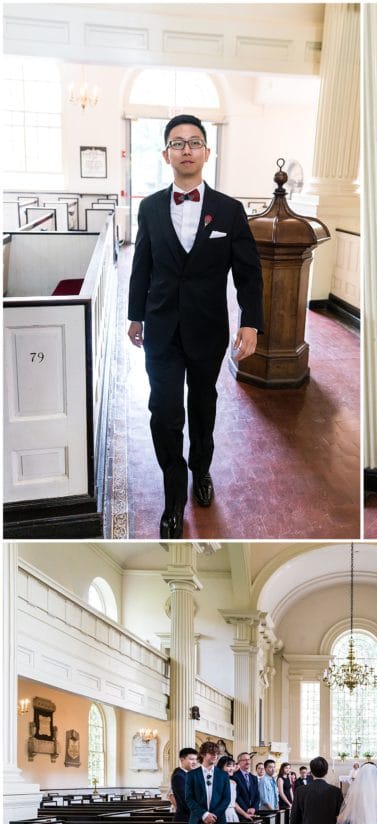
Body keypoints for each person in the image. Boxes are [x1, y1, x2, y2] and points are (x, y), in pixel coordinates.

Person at [127, 113, 264, 539]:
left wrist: (251, 323)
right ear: (166, 153)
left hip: (208, 329)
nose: (186, 149)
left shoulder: (229, 210)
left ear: (207, 151)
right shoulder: (149, 208)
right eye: (178, 143)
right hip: (162, 329)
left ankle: (201, 469)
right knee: (163, 411)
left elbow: (248, 273)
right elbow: (141, 266)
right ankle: (173, 495)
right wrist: (136, 315)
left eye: (194, 142)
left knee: (202, 407)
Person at [185, 740, 230, 824]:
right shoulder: (191, 775)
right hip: (198, 820)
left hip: (218, 820)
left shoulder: (223, 775)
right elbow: (189, 799)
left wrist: (214, 815)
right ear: (202, 754)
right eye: (211, 753)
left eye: (216, 753)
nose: (215, 756)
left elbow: (226, 798)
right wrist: (204, 814)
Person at [168, 746, 197, 823]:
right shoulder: (179, 776)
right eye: (191, 759)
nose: (194, 762)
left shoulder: (187, 775)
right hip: (185, 819)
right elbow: (185, 800)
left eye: (195, 759)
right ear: (182, 759)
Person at [218, 754, 245, 823]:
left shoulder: (233, 782)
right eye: (228, 766)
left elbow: (233, 802)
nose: (232, 768)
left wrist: (245, 814)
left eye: (233, 766)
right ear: (221, 767)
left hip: (232, 813)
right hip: (222, 813)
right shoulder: (217, 782)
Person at [233, 751, 259, 815]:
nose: (247, 762)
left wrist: (254, 808)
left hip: (253, 812)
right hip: (240, 812)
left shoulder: (254, 778)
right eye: (244, 760)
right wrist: (246, 809)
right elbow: (237, 796)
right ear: (239, 762)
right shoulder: (234, 776)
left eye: (248, 759)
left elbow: (257, 795)